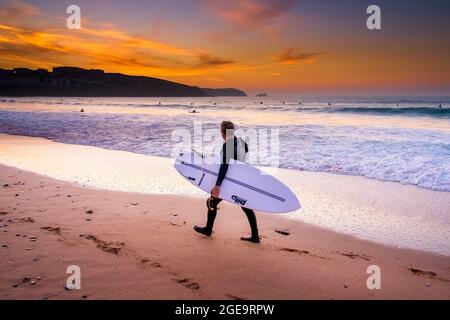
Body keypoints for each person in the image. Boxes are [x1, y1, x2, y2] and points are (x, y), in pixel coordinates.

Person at [194, 121, 260, 243]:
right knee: (246, 207)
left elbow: (224, 165)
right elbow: (245, 150)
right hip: (241, 179)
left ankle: (208, 230)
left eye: (221, 132)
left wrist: (218, 185)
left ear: (223, 132)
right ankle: (255, 236)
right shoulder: (240, 142)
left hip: (230, 181)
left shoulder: (228, 145)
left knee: (211, 202)